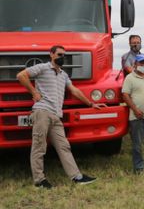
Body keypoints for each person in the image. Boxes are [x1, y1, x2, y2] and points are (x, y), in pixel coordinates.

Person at [16, 45, 101, 189]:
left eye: (64, 55)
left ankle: (77, 177)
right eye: (59, 54)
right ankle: (39, 181)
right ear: (51, 54)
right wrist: (33, 92)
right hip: (42, 112)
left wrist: (90, 104)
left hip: (56, 116)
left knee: (64, 146)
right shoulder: (42, 68)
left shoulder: (63, 74)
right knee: (39, 146)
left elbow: (74, 90)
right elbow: (21, 75)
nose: (62, 58)